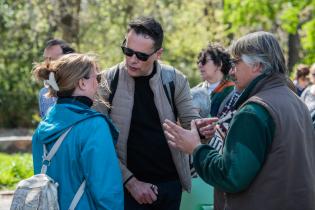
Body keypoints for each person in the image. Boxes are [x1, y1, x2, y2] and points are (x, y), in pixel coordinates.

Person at [163, 31, 315, 210]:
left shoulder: (254, 111)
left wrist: (196, 149)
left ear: (257, 65)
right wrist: (209, 139)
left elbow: (230, 176)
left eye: (236, 62)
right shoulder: (295, 101)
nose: (232, 70)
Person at [95, 16, 199, 210]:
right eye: (128, 51)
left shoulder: (175, 79)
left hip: (170, 186)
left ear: (158, 54)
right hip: (126, 189)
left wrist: (202, 131)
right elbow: (98, 143)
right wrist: (130, 182)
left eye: (141, 56)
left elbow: (191, 124)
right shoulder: (107, 81)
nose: (132, 60)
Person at [32, 54, 124, 210]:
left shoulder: (44, 125)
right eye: (97, 77)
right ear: (82, 83)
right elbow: (106, 189)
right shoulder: (94, 126)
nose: (98, 83)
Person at [192, 43, 235, 117]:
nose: (199, 65)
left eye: (204, 61)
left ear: (219, 64)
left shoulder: (233, 92)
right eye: (199, 61)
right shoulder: (195, 90)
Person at [39, 39, 75, 118]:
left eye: (52, 59)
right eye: (45, 59)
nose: (47, 64)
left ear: (69, 59)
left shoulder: (83, 87)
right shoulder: (44, 93)